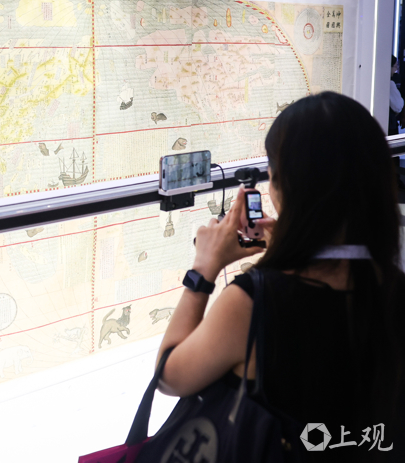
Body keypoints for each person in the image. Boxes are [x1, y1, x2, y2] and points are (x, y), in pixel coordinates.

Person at [155, 91, 405, 461]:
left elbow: (169, 375)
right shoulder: (394, 286)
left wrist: (203, 270)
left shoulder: (251, 303)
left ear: (285, 188)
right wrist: (291, 247)